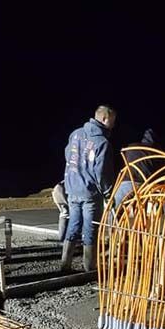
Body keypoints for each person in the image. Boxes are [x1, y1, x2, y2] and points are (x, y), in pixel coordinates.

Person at [61, 105, 117, 272]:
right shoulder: (102, 142)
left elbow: (68, 156)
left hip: (72, 188)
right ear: (105, 119)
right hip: (89, 192)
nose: (114, 125)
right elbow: (101, 172)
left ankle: (65, 264)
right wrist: (108, 192)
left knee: (73, 225)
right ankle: (89, 267)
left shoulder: (76, 134)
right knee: (90, 228)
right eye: (113, 121)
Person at [113, 128, 160, 206]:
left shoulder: (132, 147)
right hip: (143, 186)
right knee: (142, 210)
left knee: (112, 209)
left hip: (126, 183)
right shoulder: (155, 152)